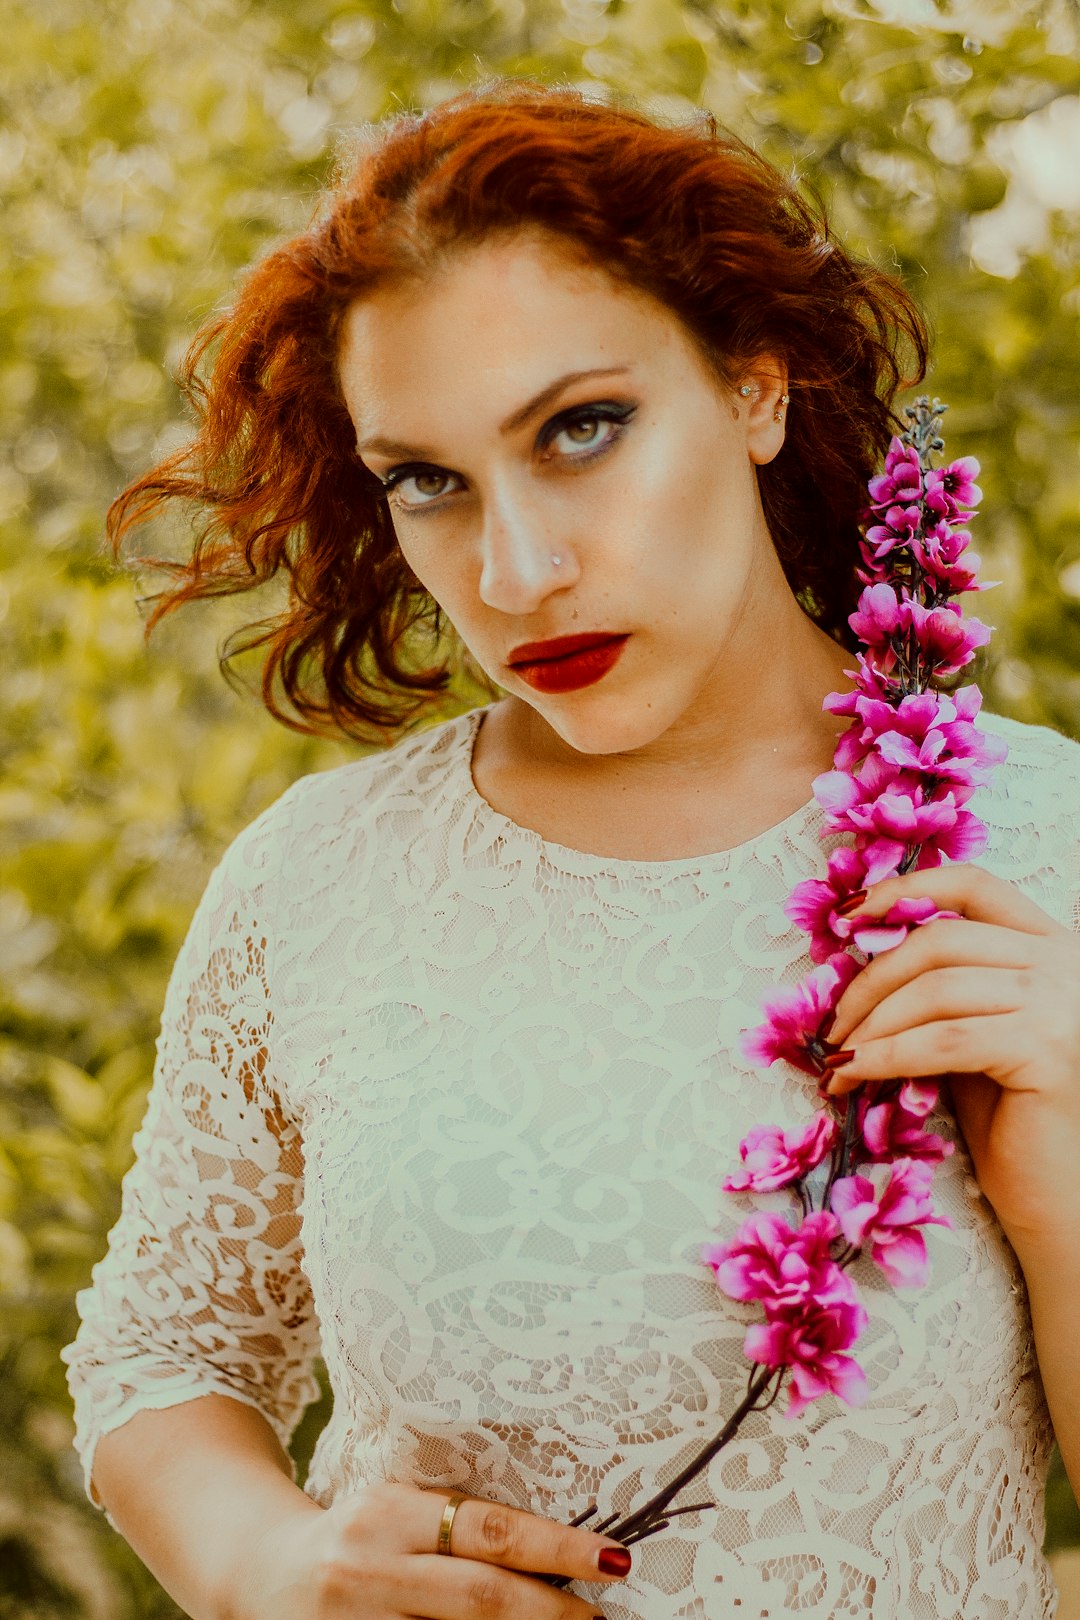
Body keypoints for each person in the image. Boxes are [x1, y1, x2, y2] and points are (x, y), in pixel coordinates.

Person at [60, 80, 1080, 1620]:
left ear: (755, 388)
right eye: (429, 481)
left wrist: (1062, 1166)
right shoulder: (318, 878)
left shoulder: (1043, 853)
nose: (517, 569)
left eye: (583, 429)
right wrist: (267, 1559)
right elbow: (165, 1349)